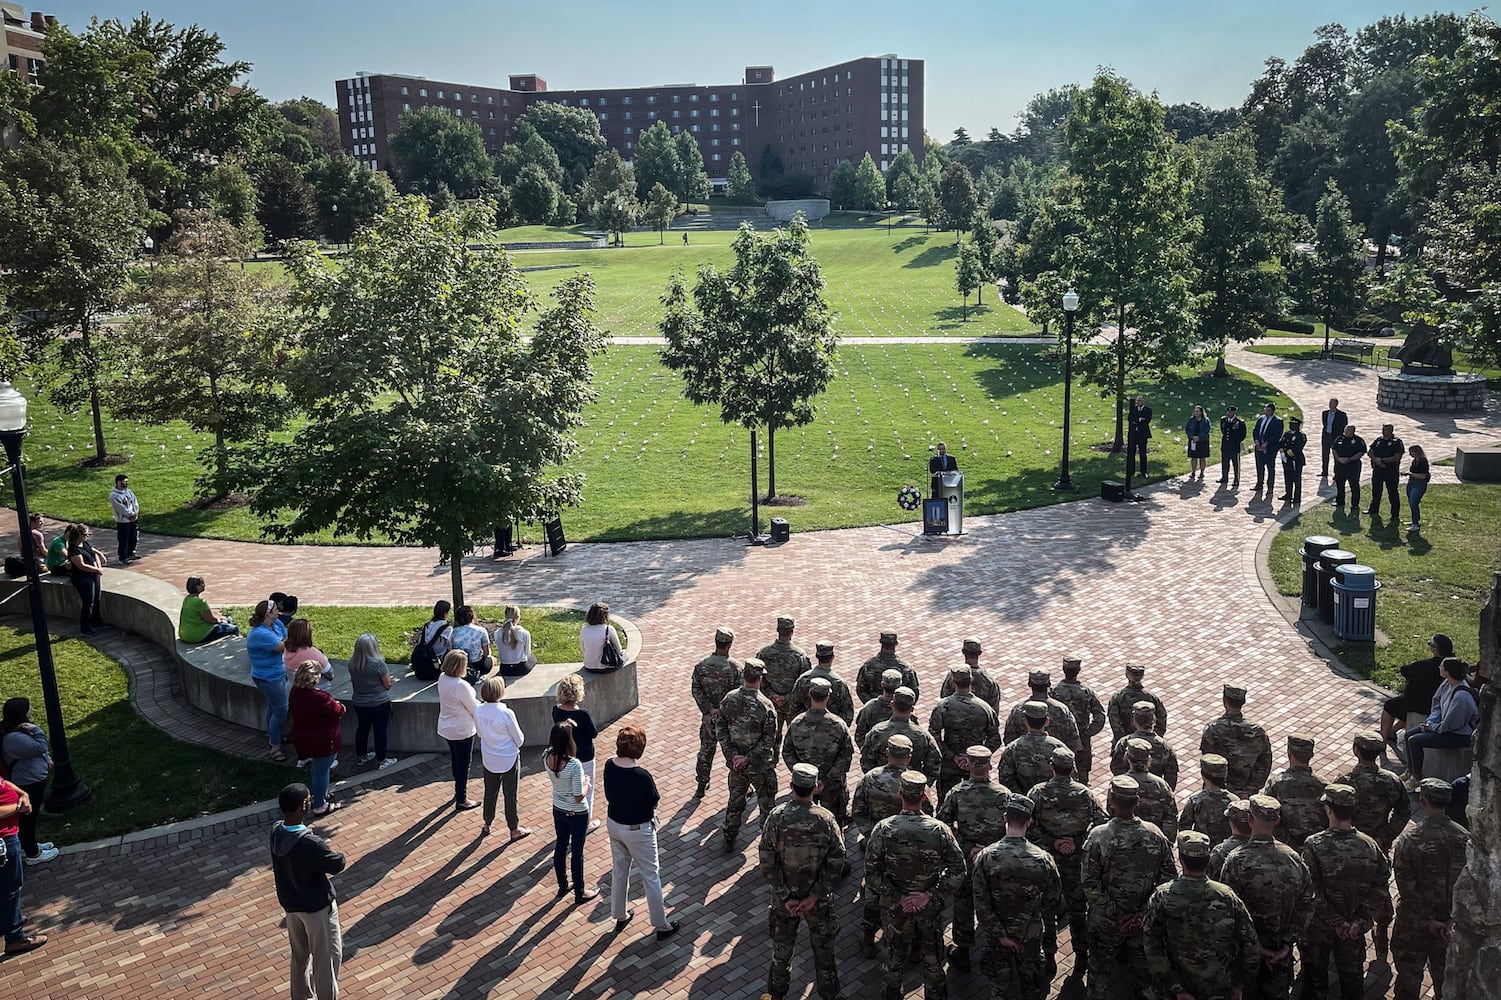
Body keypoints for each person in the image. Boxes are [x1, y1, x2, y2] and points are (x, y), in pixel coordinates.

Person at [864, 769, 967, 1000]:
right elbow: (958, 870)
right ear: (923, 797)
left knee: (893, 961)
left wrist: (898, 896)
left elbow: (871, 874)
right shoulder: (939, 830)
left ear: (900, 794)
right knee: (932, 964)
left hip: (895, 908)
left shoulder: (883, 829)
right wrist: (930, 895)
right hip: (928, 910)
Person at [1082, 775, 1176, 1000]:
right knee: (1144, 976)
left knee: (1099, 975)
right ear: (1137, 801)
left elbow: (1089, 883)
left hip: (1105, 922)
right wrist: (1141, 914)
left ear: (1112, 801)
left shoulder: (1098, 837)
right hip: (1141, 923)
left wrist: (1115, 913)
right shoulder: (1155, 834)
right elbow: (1168, 878)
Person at [759, 762, 844, 1000]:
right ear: (816, 788)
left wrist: (785, 895)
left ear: (791, 785)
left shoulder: (777, 817)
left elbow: (766, 861)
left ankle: (777, 995)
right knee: (824, 952)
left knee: (782, 951)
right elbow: (837, 861)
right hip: (819, 902)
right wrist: (815, 895)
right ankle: (829, 995)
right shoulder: (826, 819)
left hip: (783, 901)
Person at [1142, 831, 1259, 1000]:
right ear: (1208, 859)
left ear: (1181, 860)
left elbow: (1151, 945)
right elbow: (1250, 944)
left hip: (1176, 990)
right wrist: (1238, 986)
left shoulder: (1163, 896)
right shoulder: (1227, 896)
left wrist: (1177, 988)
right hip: (1220, 988)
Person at [1219, 794, 1315, 1000]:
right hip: (1279, 954)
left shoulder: (1236, 860)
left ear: (1250, 820)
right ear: (1277, 821)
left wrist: (1256, 947)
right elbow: (1307, 903)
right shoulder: (1294, 858)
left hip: (1245, 956)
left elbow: (1227, 910)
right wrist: (1288, 944)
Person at [1300, 784, 1390, 1000]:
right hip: (1353, 929)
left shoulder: (1314, 845)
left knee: (1315, 981)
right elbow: (1380, 887)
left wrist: (1336, 921)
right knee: (1352, 981)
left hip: (1320, 928)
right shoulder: (1369, 846)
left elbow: (1311, 890)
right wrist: (1357, 921)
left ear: (1328, 810)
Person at [972, 793, 1064, 1000]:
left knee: (998, 986)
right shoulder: (1043, 859)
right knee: (1031, 985)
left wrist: (1001, 934)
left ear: (1005, 818)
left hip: (996, 936)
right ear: (1029, 822)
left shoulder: (985, 857)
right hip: (1030, 934)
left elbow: (980, 902)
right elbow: (1054, 901)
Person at [1027, 746, 1106, 969]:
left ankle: (1050, 954)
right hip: (1076, 861)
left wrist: (1052, 842)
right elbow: (1101, 824)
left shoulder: (1037, 792)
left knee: (1047, 909)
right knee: (1078, 909)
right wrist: (1076, 842)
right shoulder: (1085, 793)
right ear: (1073, 768)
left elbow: (1027, 825)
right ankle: (1082, 954)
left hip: (1047, 860)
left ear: (1051, 766)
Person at [1391, 778, 1470, 1000]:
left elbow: (1405, 886)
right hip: (1448, 926)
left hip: (1414, 923)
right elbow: (1468, 886)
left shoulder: (1409, 839)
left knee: (1408, 977)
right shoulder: (1464, 837)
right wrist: (1451, 920)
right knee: (1445, 980)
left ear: (1423, 801)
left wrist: (1427, 920)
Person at [936, 745, 1009, 973]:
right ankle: (995, 950)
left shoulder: (956, 793)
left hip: (967, 859)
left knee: (964, 903)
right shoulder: (1004, 794)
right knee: (994, 904)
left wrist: (967, 847)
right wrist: (989, 848)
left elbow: (943, 826)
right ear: (989, 766)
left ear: (967, 765)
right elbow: (1013, 829)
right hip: (995, 861)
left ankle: (964, 951)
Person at [270, 782, 345, 1000]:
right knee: (327, 959)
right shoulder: (311, 844)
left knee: (300, 956)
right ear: (304, 805)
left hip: (291, 907)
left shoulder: (276, 831)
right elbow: (337, 863)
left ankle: (301, 997)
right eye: (309, 799)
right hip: (316, 909)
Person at [604, 725, 679, 940]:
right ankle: (661, 924)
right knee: (650, 876)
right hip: (638, 830)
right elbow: (653, 802)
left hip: (614, 825)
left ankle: (619, 914)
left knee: (619, 870)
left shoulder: (609, 765)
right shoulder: (642, 776)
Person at [851, 735, 918, 958]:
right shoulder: (915, 783)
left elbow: (858, 811)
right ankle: (910, 944)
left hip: (876, 845)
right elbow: (924, 815)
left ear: (887, 753)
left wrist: (872, 835)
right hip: (906, 851)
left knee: (872, 891)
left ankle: (867, 938)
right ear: (908, 757)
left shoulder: (870, 778)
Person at [716, 658, 778, 853]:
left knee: (735, 801)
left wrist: (733, 755)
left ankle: (729, 837)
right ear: (760, 678)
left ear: (744, 676)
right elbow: (769, 740)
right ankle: (768, 845)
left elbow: (721, 728)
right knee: (766, 804)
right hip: (759, 766)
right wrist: (748, 758)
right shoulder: (766, 705)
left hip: (736, 766)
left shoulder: (729, 699)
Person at [781, 677, 855, 825]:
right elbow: (846, 757)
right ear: (828, 696)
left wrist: (803, 776)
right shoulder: (838, 725)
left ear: (810, 694)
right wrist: (825, 781)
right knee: (834, 823)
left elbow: (787, 752)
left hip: (805, 787)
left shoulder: (797, 723)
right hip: (832, 786)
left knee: (804, 822)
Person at [1401, 657, 1479, 787]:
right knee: (1408, 734)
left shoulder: (1461, 697)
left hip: (1460, 735)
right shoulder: (1447, 683)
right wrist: (1431, 722)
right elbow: (1436, 703)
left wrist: (1432, 728)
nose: (1439, 668)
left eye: (1441, 666)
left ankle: (1416, 778)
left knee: (1414, 741)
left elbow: (1451, 724)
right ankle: (1410, 771)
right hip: (1442, 727)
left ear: (1447, 671)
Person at [928, 666, 1001, 802]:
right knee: (975, 805)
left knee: (945, 803)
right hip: (977, 768)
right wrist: (975, 757)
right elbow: (995, 739)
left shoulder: (943, 706)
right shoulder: (985, 708)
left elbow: (933, 735)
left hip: (949, 765)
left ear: (953, 682)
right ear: (971, 680)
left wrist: (952, 756)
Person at [545, 723, 597, 903]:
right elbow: (578, 796)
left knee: (560, 847)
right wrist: (586, 782)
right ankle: (580, 891)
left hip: (558, 808)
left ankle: (562, 885)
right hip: (577, 813)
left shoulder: (547, 756)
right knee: (577, 851)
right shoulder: (574, 765)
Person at [0, 698, 57, 865]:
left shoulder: (18, 732)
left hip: (32, 779)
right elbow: (39, 747)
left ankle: (29, 845)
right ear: (21, 713)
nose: (31, 710)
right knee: (27, 819)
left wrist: (46, 759)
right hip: (27, 782)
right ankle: (33, 854)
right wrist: (36, 729)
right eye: (28, 708)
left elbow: (37, 751)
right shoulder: (14, 737)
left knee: (30, 818)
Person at [691, 627, 743, 799]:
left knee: (706, 751)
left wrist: (708, 709)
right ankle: (739, 788)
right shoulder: (736, 668)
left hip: (709, 719)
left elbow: (696, 689)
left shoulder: (701, 665)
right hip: (728, 721)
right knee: (732, 752)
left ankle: (701, 784)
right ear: (729, 645)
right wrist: (723, 710)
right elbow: (738, 694)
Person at [475, 676, 529, 841]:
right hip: (508, 758)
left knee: (490, 792)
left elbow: (478, 733)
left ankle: (487, 823)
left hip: (489, 758)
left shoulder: (478, 710)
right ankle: (514, 828)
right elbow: (519, 738)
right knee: (510, 794)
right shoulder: (506, 713)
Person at [288, 660, 345, 817]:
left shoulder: (294, 693)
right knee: (322, 770)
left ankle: (319, 794)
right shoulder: (321, 697)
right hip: (323, 741)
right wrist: (340, 705)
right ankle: (319, 804)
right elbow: (338, 710)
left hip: (304, 739)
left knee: (317, 769)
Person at [1199, 683, 1272, 799]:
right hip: (1246, 796)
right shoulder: (1258, 732)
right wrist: (1249, 791)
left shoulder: (1212, 730)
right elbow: (1265, 763)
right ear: (1243, 702)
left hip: (1216, 795)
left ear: (1224, 701)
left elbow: (1208, 762)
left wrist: (1228, 791)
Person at [1380, 633, 1453, 748]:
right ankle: (1392, 731)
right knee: (1405, 709)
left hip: (1417, 705)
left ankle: (1382, 741)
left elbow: (1404, 670)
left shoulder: (1424, 666)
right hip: (1438, 706)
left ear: (1435, 650)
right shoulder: (1453, 667)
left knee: (1390, 706)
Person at [0, 776, 46, 954]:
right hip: (3, 838)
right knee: (9, 887)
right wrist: (18, 807)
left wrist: (22, 793)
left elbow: (3, 782)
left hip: (9, 834)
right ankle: (15, 938)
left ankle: (9, 919)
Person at [1263, 733, 1329, 850]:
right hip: (1317, 849)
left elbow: (1267, 818)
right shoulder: (1324, 785)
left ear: (1289, 754)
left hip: (1285, 849)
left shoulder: (1276, 784)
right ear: (1311, 755)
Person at [553, 673, 600, 831]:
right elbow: (593, 733)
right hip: (585, 757)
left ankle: (570, 816)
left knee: (570, 788)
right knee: (587, 789)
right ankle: (586, 822)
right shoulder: (582, 714)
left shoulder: (556, 711)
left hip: (566, 756)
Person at [1049, 656, 1107, 783]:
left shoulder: (1054, 691)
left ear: (1063, 669)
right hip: (1082, 741)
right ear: (1078, 670)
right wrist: (1087, 733)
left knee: (1057, 777)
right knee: (1082, 779)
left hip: (1060, 739)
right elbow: (1100, 715)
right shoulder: (1086, 691)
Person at [436, 650, 481, 810]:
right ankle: (461, 799)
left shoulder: (442, 678)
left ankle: (458, 791)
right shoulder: (461, 685)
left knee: (456, 760)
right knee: (464, 763)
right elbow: (473, 707)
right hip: (462, 729)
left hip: (447, 727)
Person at [247, 599, 290, 761]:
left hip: (278, 673)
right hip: (268, 678)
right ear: (267, 614)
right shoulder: (260, 633)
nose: (278, 610)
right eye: (274, 609)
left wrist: (286, 639)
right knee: (281, 709)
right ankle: (275, 747)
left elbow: (284, 637)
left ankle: (273, 735)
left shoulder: (276, 624)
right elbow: (280, 646)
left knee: (273, 707)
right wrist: (288, 639)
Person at [757, 614, 811, 742]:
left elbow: (757, 678)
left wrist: (772, 696)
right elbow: (805, 684)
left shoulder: (764, 653)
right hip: (793, 706)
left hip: (770, 705)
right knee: (796, 740)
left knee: (769, 741)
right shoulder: (800, 655)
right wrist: (786, 698)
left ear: (777, 630)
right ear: (792, 631)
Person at [346, 633, 396, 771]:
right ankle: (382, 760)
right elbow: (387, 685)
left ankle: (362, 756)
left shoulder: (352, 663)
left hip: (360, 702)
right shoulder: (378, 664)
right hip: (379, 703)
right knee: (380, 731)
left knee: (362, 729)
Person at [995, 701, 1065, 795]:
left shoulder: (1012, 748)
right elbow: (1068, 777)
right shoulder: (1059, 748)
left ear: (1025, 721)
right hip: (1052, 803)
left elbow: (1005, 778)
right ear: (1047, 721)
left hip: (1023, 804)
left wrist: (1023, 799)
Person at [788, 640, 855, 724]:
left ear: (817, 656)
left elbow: (794, 706)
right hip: (832, 733)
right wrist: (837, 728)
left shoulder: (803, 680)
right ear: (832, 657)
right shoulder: (839, 683)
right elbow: (848, 713)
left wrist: (802, 726)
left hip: (806, 732)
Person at [1176, 753, 1235, 848]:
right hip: (1225, 850)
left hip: (1201, 850)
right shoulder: (1234, 801)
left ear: (1203, 776)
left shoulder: (1195, 801)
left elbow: (1184, 828)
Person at [64, 522, 107, 637]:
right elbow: (81, 566)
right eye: (86, 534)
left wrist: (98, 565)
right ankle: (85, 628)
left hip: (93, 575)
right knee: (88, 603)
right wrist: (96, 570)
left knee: (97, 599)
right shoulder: (73, 550)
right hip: (82, 578)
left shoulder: (84, 544)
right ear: (79, 535)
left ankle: (97, 621)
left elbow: (93, 553)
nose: (87, 536)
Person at [1106, 664, 1167, 744]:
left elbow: (1115, 725)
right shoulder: (1151, 697)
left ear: (1127, 675)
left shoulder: (1117, 698)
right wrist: (1153, 739)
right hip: (1149, 745)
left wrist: (1124, 742)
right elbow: (1162, 718)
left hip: (1125, 745)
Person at [938, 636, 1002, 713]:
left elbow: (943, 701)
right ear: (980, 653)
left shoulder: (953, 676)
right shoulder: (989, 680)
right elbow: (994, 712)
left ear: (963, 651)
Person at [854, 629, 918, 704]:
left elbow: (861, 690)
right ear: (896, 643)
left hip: (875, 712)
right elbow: (914, 692)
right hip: (899, 710)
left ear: (880, 642)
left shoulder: (868, 665)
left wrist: (873, 705)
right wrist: (902, 707)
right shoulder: (905, 667)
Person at [178, 576, 239, 643]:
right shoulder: (200, 601)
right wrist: (221, 620)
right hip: (195, 636)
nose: (204, 585)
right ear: (196, 586)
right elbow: (211, 620)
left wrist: (221, 618)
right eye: (202, 583)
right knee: (234, 628)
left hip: (184, 634)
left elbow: (206, 615)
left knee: (228, 619)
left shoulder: (187, 599)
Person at [1367, 423, 1406, 519]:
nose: (1384, 432)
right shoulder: (1379, 440)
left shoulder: (1397, 442)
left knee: (1392, 492)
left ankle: (1395, 514)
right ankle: (1373, 510)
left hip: (1391, 471)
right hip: (1378, 470)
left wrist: (1382, 460)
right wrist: (1376, 460)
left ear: (1391, 431)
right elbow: (1370, 452)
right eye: (1383, 429)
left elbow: (1397, 457)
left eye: (1386, 430)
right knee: (1376, 491)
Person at [284, 619, 333, 692]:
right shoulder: (313, 653)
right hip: (315, 693)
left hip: (292, 691)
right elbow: (330, 674)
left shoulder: (286, 649)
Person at [449, 606, 493, 682]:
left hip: (459, 664)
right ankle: (480, 674)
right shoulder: (481, 630)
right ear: (472, 617)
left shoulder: (453, 632)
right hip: (477, 664)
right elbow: (486, 652)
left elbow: (450, 649)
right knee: (492, 659)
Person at [1330, 423, 1368, 510]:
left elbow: (1361, 452)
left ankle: (1355, 504)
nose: (1346, 432)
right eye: (1345, 430)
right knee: (1340, 484)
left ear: (1353, 431)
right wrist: (1338, 459)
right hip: (1340, 466)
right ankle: (1340, 501)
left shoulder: (1358, 440)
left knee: (1354, 485)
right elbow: (1334, 449)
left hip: (1353, 466)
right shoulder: (1340, 438)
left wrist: (1350, 459)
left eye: (1348, 431)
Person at [579, 602, 624, 673]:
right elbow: (619, 649)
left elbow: (583, 649)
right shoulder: (608, 629)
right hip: (607, 666)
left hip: (589, 666)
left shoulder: (584, 629)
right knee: (626, 656)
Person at [413, 601, 453, 681]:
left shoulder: (428, 625)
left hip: (425, 655)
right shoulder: (447, 628)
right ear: (445, 613)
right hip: (437, 658)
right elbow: (450, 646)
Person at [1251, 402, 1284, 495]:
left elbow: (1277, 435)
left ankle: (1270, 487)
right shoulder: (1261, 419)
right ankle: (1259, 483)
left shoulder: (1278, 421)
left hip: (1270, 448)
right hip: (1259, 447)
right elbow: (1255, 430)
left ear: (1273, 411)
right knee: (1259, 466)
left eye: (1268, 410)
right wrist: (1256, 441)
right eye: (1265, 410)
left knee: (1270, 468)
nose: (1266, 412)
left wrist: (1267, 443)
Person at [108, 473, 140, 565]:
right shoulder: (114, 495)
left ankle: (131, 553)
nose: (127, 483)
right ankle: (123, 557)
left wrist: (135, 513)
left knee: (133, 538)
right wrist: (129, 515)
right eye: (125, 481)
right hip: (123, 521)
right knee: (124, 540)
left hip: (133, 520)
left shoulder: (129, 492)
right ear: (119, 482)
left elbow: (135, 502)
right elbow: (119, 507)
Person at [493, 605, 532, 677]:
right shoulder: (524, 633)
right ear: (518, 617)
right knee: (533, 659)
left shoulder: (497, 633)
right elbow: (527, 653)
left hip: (504, 669)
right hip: (520, 669)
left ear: (505, 616)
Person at [1278, 416, 1308, 504]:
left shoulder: (1300, 436)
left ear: (1297, 426)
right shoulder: (1287, 434)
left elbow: (1297, 448)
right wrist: (1282, 453)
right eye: (1290, 424)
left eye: (1293, 424)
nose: (1291, 426)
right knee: (1287, 478)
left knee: (1297, 479)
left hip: (1296, 460)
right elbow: (1281, 443)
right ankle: (1288, 494)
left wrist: (1287, 453)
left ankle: (1296, 497)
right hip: (1286, 460)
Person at [1218, 405, 1247, 486]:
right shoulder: (1223, 420)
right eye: (1228, 411)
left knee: (1235, 464)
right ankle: (1224, 477)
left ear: (1234, 412)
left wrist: (1237, 441)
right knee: (1225, 462)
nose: (1229, 413)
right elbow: (1223, 430)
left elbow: (1243, 434)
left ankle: (1236, 479)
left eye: (1231, 412)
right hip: (1225, 445)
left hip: (1234, 446)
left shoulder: (1239, 422)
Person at [1126, 395, 1153, 482]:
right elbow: (1130, 419)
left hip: (1143, 435)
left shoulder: (1148, 410)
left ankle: (1143, 471)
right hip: (1134, 434)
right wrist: (1140, 419)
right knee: (1131, 452)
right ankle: (1131, 471)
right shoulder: (1133, 409)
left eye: (1140, 401)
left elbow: (1146, 421)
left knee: (1142, 453)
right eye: (1137, 401)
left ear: (1143, 401)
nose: (1138, 402)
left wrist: (1138, 420)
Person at [1319, 397, 1348, 477]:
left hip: (1335, 437)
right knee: (1325, 454)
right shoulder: (1324, 413)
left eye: (1332, 403)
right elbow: (1324, 424)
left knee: (1336, 455)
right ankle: (1324, 471)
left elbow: (1344, 425)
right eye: (1330, 403)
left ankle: (1337, 473)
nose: (1330, 405)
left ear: (1336, 404)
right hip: (1326, 436)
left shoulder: (1341, 415)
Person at [1404, 444, 1430, 533]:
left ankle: (1415, 524)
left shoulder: (1423, 462)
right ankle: (1415, 520)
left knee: (1413, 502)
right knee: (1411, 503)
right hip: (1411, 482)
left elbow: (1423, 476)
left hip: (1419, 484)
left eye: (1411, 452)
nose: (1410, 454)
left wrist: (1410, 474)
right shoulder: (1415, 461)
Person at [1184, 404, 1211, 480]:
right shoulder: (1191, 420)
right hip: (1193, 441)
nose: (1195, 413)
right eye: (1195, 411)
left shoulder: (1206, 420)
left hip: (1202, 441)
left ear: (1201, 412)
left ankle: (1202, 472)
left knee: (1202, 457)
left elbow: (1207, 430)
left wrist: (1199, 437)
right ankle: (1193, 472)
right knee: (1193, 457)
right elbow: (1187, 429)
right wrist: (1192, 437)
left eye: (1197, 411)